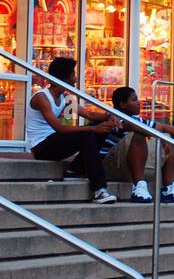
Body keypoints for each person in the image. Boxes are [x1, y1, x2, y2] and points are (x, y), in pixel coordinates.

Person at [26, 56, 121, 205]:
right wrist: (93, 128)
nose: (75, 79)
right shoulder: (42, 98)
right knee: (89, 133)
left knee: (100, 126)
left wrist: (109, 116)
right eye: (73, 75)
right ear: (64, 78)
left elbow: (89, 114)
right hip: (41, 147)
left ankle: (74, 170)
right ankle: (99, 189)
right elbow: (59, 128)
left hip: (55, 141)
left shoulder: (65, 98)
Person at [101, 87, 174, 203]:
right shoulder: (114, 117)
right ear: (123, 104)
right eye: (134, 100)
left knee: (167, 137)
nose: (139, 103)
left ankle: (168, 189)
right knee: (140, 134)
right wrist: (155, 135)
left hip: (126, 166)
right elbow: (132, 126)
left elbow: (162, 127)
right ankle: (138, 186)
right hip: (108, 166)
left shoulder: (136, 119)